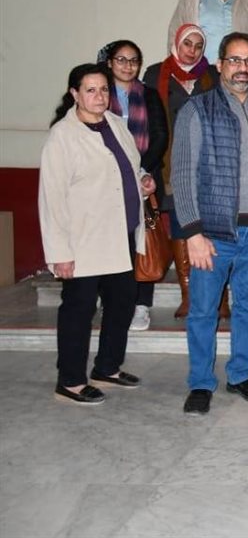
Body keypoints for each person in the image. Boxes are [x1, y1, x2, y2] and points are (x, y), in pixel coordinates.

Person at [172, 32, 248, 416]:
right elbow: (182, 174)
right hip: (214, 233)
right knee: (204, 310)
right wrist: (192, 232)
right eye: (235, 60)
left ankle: (241, 374)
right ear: (220, 65)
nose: (243, 68)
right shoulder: (198, 109)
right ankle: (200, 383)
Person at [40, 63, 154, 404]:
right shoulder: (63, 136)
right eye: (90, 90)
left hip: (120, 234)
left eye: (104, 89)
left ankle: (107, 367)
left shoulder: (116, 124)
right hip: (83, 241)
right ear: (75, 94)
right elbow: (51, 198)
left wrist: (143, 180)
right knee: (79, 309)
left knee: (122, 304)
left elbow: (130, 166)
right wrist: (60, 253)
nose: (99, 96)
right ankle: (71, 380)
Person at [142, 25, 220, 321]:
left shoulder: (211, 75)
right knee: (180, 223)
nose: (192, 50)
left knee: (212, 228)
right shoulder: (155, 74)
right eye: (187, 44)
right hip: (172, 162)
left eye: (199, 45)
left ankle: (219, 297)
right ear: (176, 44)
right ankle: (188, 294)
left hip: (208, 163)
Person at [99, 41, 167, 332]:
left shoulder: (148, 94)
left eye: (133, 60)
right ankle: (113, 299)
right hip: (106, 181)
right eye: (121, 59)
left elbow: (160, 135)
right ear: (110, 63)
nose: (127, 66)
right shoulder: (100, 94)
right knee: (112, 244)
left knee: (144, 241)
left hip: (145, 181)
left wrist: (141, 170)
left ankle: (142, 304)